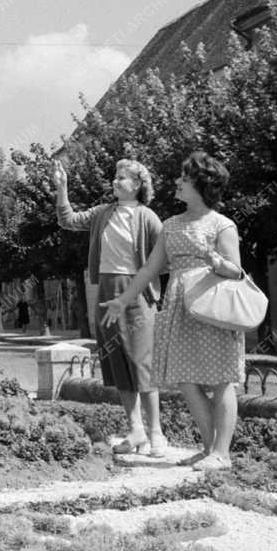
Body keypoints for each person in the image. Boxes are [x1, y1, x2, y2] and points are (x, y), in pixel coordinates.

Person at [102, 151, 244, 472]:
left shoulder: (222, 224)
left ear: (201, 184)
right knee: (186, 380)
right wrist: (123, 300)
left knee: (222, 380)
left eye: (184, 178)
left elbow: (236, 270)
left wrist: (218, 263)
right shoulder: (170, 225)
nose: (177, 182)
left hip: (213, 306)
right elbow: (150, 269)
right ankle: (209, 449)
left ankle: (222, 453)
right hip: (179, 307)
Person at [54, 157, 166, 456]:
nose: (115, 182)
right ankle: (136, 430)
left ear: (139, 185)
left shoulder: (148, 217)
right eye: (115, 177)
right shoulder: (103, 213)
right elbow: (68, 219)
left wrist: (140, 284)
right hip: (105, 290)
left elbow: (163, 261)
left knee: (143, 363)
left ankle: (157, 433)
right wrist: (62, 188)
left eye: (123, 178)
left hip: (137, 294)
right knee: (116, 361)